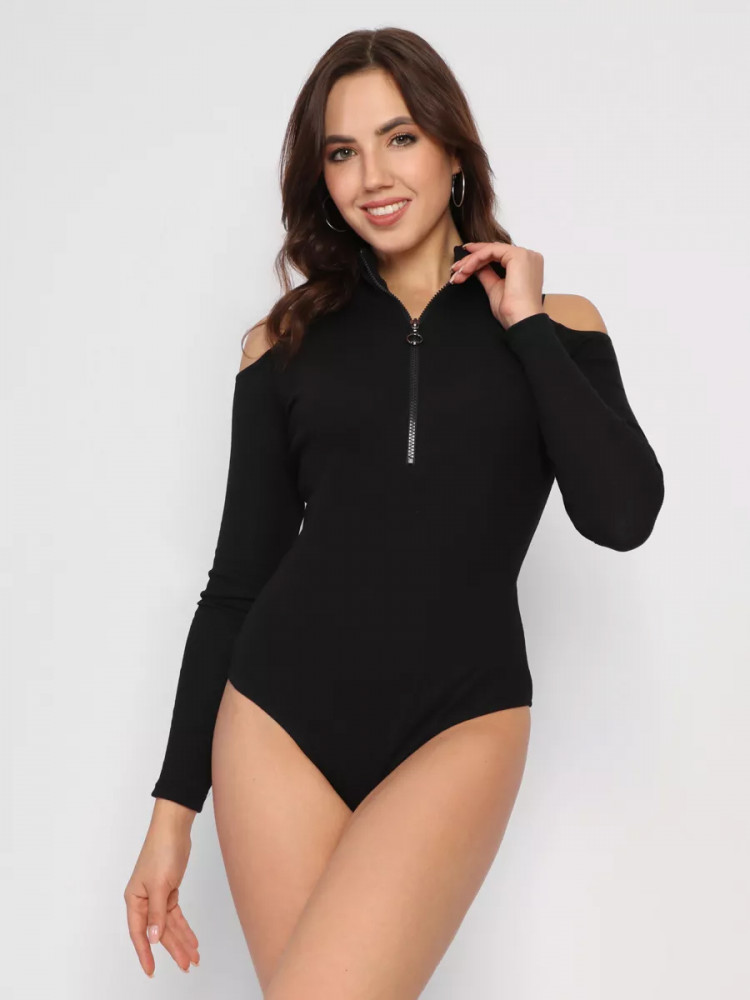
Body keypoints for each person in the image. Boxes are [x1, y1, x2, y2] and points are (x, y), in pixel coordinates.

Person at [124, 26, 665, 997]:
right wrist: (172, 813)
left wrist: (526, 325)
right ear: (321, 177)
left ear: (455, 152)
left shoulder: (559, 326)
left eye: (400, 137)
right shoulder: (284, 343)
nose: (372, 175)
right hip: (277, 722)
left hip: (462, 721)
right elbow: (238, 582)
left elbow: (622, 516)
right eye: (342, 151)